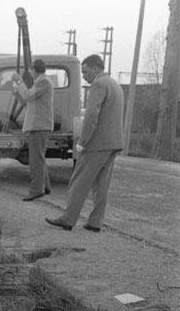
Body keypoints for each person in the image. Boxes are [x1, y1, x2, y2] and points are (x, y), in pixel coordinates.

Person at [45, 54, 124, 232]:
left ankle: (68, 219)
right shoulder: (115, 85)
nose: (84, 76)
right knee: (101, 185)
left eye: (86, 71)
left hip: (97, 144)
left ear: (96, 68)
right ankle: (95, 222)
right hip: (113, 143)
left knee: (78, 181)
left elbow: (91, 116)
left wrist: (82, 141)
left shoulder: (98, 84)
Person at [12, 59, 53, 201]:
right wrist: (17, 92)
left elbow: (28, 95)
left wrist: (19, 82)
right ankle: (45, 186)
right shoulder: (41, 83)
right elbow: (27, 100)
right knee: (38, 158)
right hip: (37, 126)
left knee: (36, 160)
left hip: (39, 126)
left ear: (34, 70)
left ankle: (36, 190)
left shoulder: (44, 82)